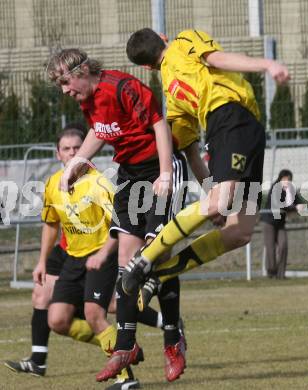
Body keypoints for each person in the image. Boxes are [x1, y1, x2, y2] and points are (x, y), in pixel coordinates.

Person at [46, 49, 188, 383]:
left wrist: (165, 174)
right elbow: (99, 131)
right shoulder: (88, 101)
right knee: (128, 262)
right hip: (130, 173)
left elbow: (159, 125)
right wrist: (74, 164)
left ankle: (172, 339)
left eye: (66, 82)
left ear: (82, 71)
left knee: (154, 255)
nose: (65, 91)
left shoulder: (123, 87)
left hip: (158, 168)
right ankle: (126, 345)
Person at [121, 29, 290, 304]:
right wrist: (267, 64)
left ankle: (160, 274)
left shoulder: (170, 96)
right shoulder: (185, 39)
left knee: (240, 231)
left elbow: (191, 153)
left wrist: (213, 194)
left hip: (247, 129)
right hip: (229, 118)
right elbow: (218, 58)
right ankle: (144, 259)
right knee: (217, 204)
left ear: (146, 67)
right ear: (164, 37)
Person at [4, 124, 163, 390]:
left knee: (95, 312)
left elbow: (122, 220)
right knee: (57, 319)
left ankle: (126, 378)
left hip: (102, 254)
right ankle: (120, 345)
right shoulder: (53, 184)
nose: (72, 153)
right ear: (58, 154)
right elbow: (51, 224)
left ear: (86, 152)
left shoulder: (98, 182)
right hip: (73, 258)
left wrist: (109, 253)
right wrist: (42, 260)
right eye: (66, 149)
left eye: (78, 148)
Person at [260, 169, 304, 279]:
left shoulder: (291, 190)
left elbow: (297, 200)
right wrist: (294, 208)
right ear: (280, 178)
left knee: (283, 245)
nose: (286, 181)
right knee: (270, 248)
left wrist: (300, 206)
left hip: (280, 223)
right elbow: (280, 204)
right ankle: (271, 272)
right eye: (284, 178)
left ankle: (281, 274)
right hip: (269, 221)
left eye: (288, 179)